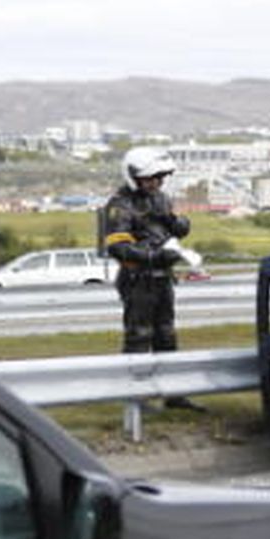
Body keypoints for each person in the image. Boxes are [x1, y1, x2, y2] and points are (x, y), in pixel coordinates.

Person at [103, 148, 196, 407]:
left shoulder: (160, 199)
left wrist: (177, 223)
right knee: (139, 336)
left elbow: (172, 229)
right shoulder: (119, 204)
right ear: (134, 176)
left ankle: (174, 396)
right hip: (137, 279)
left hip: (162, 278)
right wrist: (155, 256)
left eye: (160, 177)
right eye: (151, 178)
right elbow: (117, 246)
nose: (157, 182)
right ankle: (136, 398)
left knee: (166, 335)